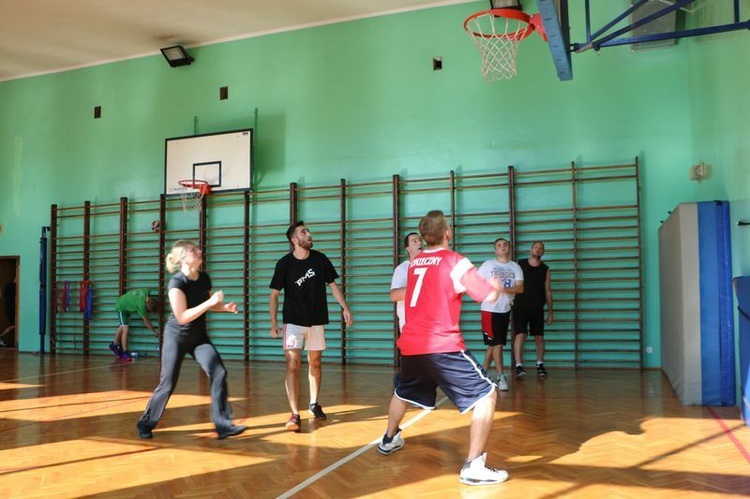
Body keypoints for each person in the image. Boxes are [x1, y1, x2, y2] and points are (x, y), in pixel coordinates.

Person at [377, 210, 508, 486]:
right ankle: (474, 465)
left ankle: (389, 439)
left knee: (403, 389)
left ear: (423, 237)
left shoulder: (414, 264)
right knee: (487, 394)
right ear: (447, 232)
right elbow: (487, 296)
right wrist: (495, 286)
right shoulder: (455, 262)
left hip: (411, 343)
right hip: (441, 344)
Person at [136, 240, 246, 440]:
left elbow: (210, 303)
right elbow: (183, 316)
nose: (200, 251)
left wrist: (224, 307)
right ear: (183, 259)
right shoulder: (176, 283)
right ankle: (145, 423)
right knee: (167, 384)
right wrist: (210, 302)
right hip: (176, 338)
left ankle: (223, 425)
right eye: (194, 250)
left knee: (219, 372)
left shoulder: (204, 278)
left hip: (198, 337)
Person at [269, 221, 353, 432]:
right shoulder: (284, 264)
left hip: (316, 320)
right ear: (294, 240)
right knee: (292, 364)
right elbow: (274, 295)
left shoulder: (320, 259)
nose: (309, 234)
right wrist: (273, 323)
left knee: (315, 362)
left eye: (308, 231)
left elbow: (333, 286)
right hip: (293, 321)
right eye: (304, 232)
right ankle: (294, 413)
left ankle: (314, 404)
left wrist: (345, 307)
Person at [477, 238, 524, 391]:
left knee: (494, 344)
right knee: (497, 344)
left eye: (505, 245)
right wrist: (485, 293)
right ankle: (501, 376)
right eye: (499, 245)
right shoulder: (488, 265)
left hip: (505, 309)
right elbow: (476, 283)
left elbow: (519, 288)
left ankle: (482, 375)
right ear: (495, 250)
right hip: (489, 309)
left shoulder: (515, 267)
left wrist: (500, 288)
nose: (502, 247)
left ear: (509, 248)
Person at [512, 241, 554, 379]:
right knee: (521, 335)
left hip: (537, 308)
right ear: (531, 249)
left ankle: (540, 364)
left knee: (539, 337)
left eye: (541, 248)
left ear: (543, 252)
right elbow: (512, 282)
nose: (538, 249)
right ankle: (518, 366)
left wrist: (550, 312)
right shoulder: (520, 264)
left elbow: (548, 290)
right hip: (520, 306)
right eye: (536, 247)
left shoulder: (545, 269)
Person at [109, 289, 159, 361]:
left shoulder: (146, 292)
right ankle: (125, 352)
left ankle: (114, 345)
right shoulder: (142, 306)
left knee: (122, 325)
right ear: (147, 306)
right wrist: (155, 332)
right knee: (125, 328)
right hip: (121, 307)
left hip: (125, 306)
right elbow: (147, 322)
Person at [389, 232, 423, 331]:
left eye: (420, 240)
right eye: (414, 241)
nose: (419, 243)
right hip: (411, 326)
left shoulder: (431, 265)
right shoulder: (402, 269)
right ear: (408, 249)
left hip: (429, 325)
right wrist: (419, 287)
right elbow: (394, 295)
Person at [0, 277, 16, 347]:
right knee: (15, 325)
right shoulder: (13, 287)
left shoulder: (8, 287)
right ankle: (1, 336)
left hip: (9, 308)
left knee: (14, 325)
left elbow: (3, 296)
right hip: (12, 309)